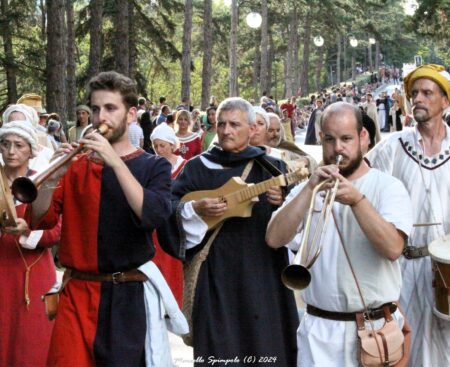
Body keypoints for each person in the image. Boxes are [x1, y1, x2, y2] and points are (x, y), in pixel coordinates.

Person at [27, 71, 187, 366]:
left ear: (131, 114)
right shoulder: (76, 165)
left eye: (111, 108)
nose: (101, 117)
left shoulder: (153, 166)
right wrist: (50, 181)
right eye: (96, 109)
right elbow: (41, 219)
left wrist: (113, 161)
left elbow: (152, 215)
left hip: (127, 295)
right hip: (76, 294)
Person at [266, 102, 413, 366]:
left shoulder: (388, 187)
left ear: (363, 138)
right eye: (330, 139)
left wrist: (358, 202)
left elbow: (393, 249)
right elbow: (274, 238)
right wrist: (310, 188)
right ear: (321, 139)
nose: (338, 149)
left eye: (346, 139)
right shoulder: (308, 188)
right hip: (319, 331)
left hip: (374, 331)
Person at [157, 97, 299, 365]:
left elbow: (297, 223)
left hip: (264, 277)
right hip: (216, 277)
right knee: (220, 350)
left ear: (251, 128)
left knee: (266, 346)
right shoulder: (198, 167)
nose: (226, 130)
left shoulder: (272, 168)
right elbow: (169, 210)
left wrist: (282, 202)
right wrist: (195, 209)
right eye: (221, 123)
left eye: (235, 124)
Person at [366, 64, 450, 367]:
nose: (418, 99)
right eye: (414, 93)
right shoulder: (392, 147)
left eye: (427, 93)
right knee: (403, 347)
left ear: (445, 101)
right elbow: (362, 187)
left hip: (447, 272)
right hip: (400, 271)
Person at [0, 121, 61, 367]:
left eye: (18, 145)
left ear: (31, 150)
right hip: (2, 272)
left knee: (31, 343)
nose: (11, 151)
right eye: (5, 144)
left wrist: (28, 232)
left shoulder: (43, 181)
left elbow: (56, 232)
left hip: (32, 276)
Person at [150, 123, 186, 306]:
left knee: (173, 264)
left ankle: (173, 304)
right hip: (156, 226)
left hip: (175, 225)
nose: (158, 149)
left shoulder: (185, 167)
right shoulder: (152, 166)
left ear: (172, 145)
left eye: (162, 145)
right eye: (155, 146)